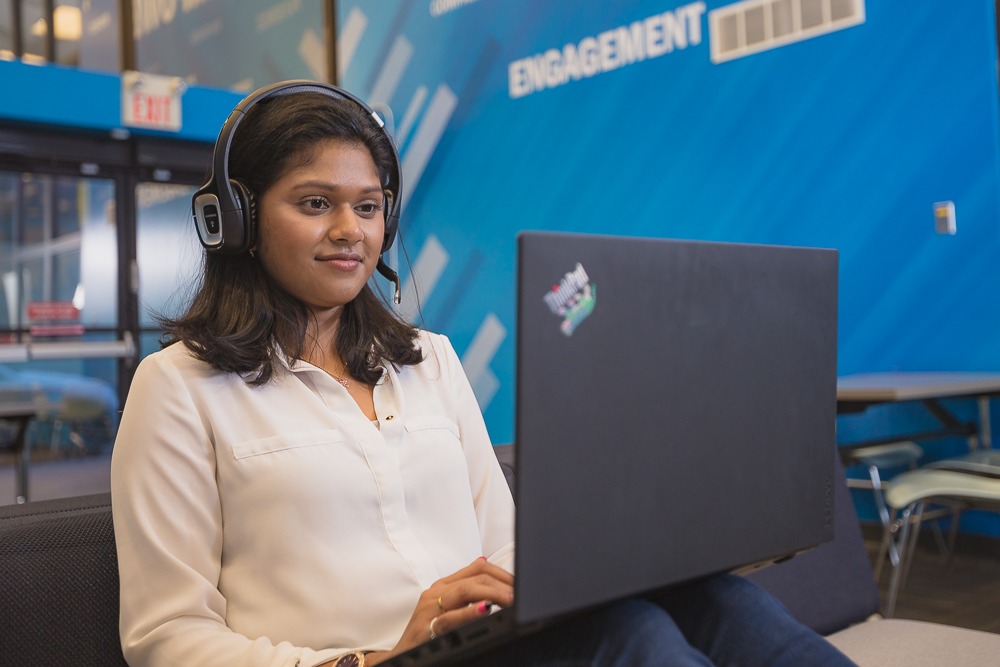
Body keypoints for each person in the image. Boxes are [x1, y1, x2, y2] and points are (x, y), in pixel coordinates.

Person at [110, 84, 857, 667]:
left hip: (480, 643)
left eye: (368, 207)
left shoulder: (427, 359)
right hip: (363, 661)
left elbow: (501, 543)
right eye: (315, 204)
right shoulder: (178, 387)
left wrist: (552, 583)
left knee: (716, 598)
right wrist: (371, 655)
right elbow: (167, 636)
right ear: (235, 221)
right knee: (630, 635)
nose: (351, 231)